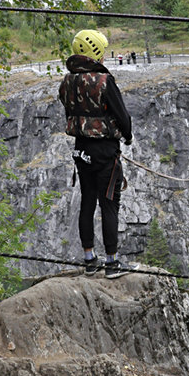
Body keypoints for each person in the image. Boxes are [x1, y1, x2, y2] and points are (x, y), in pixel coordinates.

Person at [58, 30, 136, 278]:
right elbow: (122, 115)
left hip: (81, 149)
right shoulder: (103, 81)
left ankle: (89, 259)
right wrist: (128, 135)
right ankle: (112, 263)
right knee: (109, 203)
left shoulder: (67, 81)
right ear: (96, 52)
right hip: (104, 151)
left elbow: (70, 111)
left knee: (87, 202)